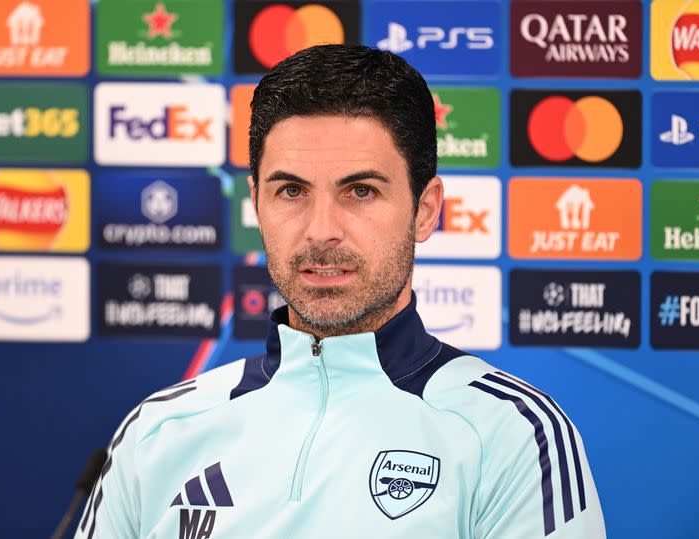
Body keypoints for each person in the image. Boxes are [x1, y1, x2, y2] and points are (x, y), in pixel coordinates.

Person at [75, 44, 605, 539]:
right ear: (257, 202)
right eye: (291, 191)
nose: (321, 229)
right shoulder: (159, 431)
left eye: (360, 191)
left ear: (424, 209)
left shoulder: (512, 436)